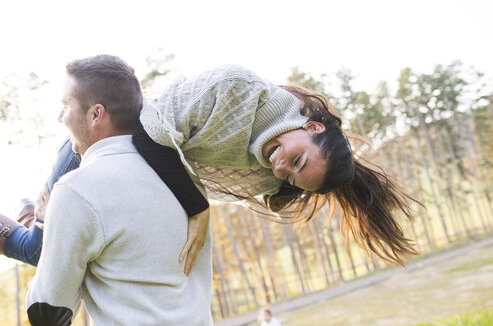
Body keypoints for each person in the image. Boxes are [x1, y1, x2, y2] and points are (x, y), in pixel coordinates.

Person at [2, 61, 417, 271]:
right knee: (41, 252)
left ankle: (31, 213)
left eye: (290, 175)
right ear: (310, 126)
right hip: (99, 143)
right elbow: (147, 130)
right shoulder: (235, 88)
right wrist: (198, 208)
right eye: (297, 159)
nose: (280, 167)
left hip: (137, 179)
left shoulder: (271, 180)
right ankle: (23, 220)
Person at [26, 55, 213, 325]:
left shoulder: (75, 190)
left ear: (95, 115)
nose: (59, 117)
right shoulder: (186, 179)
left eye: (66, 106)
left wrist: (47, 224)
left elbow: (48, 313)